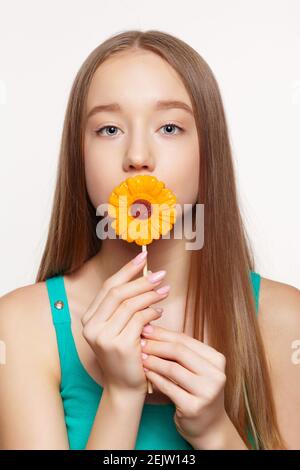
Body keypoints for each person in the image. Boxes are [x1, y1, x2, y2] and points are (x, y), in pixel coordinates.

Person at [1, 29, 300, 450]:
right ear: (78, 155)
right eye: (108, 129)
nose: (138, 156)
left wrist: (215, 431)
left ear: (207, 151)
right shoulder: (21, 327)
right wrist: (121, 397)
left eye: (170, 127)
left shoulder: (285, 321)